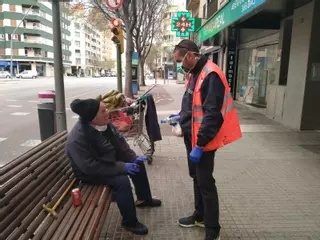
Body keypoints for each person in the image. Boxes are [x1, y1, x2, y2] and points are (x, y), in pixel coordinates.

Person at [172, 40, 242, 240]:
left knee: (206, 183)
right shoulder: (196, 73)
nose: (180, 65)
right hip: (192, 138)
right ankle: (199, 215)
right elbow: (193, 103)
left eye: (180, 60)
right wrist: (181, 117)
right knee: (197, 179)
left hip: (202, 143)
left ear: (190, 55)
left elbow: (213, 115)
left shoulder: (211, 75)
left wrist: (200, 145)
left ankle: (213, 229)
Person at [65, 98, 161, 235]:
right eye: (103, 111)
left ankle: (144, 199)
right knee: (121, 180)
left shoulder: (104, 125)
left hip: (106, 161)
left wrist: (132, 158)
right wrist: (122, 167)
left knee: (136, 164)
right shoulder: (78, 138)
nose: (108, 113)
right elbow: (90, 167)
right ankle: (129, 222)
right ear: (92, 117)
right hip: (89, 174)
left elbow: (121, 145)